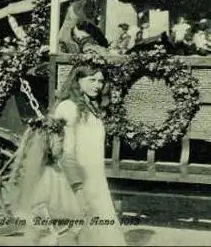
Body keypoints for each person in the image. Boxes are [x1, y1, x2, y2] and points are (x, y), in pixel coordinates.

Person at [11, 64, 127, 246]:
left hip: (94, 181)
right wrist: (79, 190)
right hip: (74, 182)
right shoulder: (68, 108)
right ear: (78, 81)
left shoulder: (92, 108)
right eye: (92, 80)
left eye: (101, 81)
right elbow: (65, 154)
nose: (97, 85)